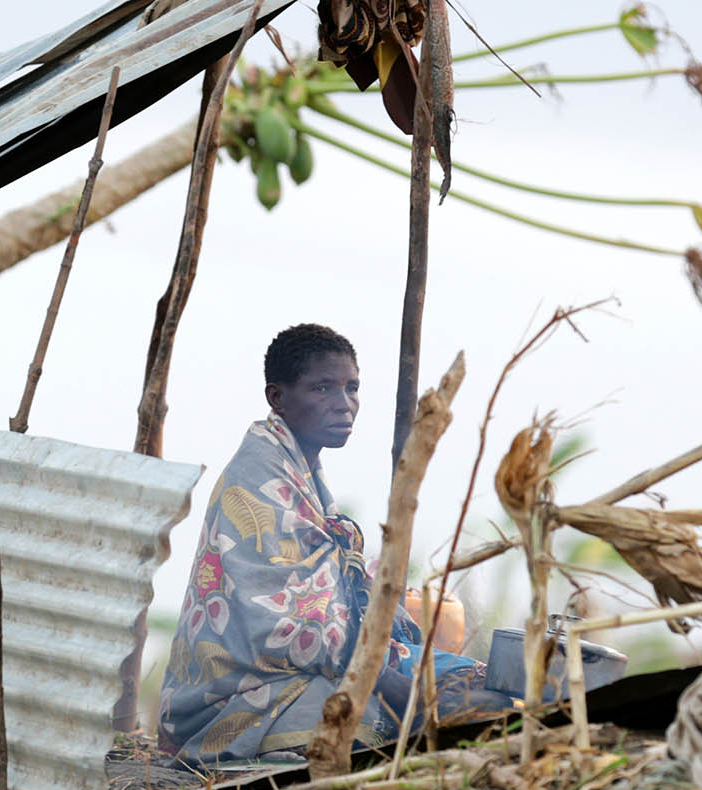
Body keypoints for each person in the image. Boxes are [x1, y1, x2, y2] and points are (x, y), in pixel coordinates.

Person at [156, 324, 508, 762]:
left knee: (484, 687)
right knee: (377, 721)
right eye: (322, 388)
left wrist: (386, 639)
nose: (344, 405)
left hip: (325, 666)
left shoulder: (299, 472)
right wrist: (385, 678)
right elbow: (274, 630)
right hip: (241, 693)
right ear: (277, 397)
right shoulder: (256, 484)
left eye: (352, 387)